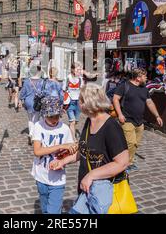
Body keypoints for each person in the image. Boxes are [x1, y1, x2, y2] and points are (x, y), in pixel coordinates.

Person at [50, 84, 129, 214]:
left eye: (81, 100)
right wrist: (63, 161)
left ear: (88, 102)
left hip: (104, 192)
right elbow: (84, 150)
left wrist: (91, 175)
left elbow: (123, 162)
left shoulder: (111, 126)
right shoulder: (90, 121)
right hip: (87, 190)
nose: (79, 104)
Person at [31, 96, 77, 214]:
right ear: (44, 115)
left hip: (58, 178)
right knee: (45, 209)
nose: (54, 119)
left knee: (53, 212)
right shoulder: (38, 126)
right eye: (51, 116)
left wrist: (67, 153)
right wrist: (60, 147)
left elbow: (72, 152)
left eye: (57, 116)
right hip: (41, 175)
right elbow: (37, 151)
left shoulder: (65, 128)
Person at [112, 68, 163, 172]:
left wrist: (157, 116)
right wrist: (120, 114)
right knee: (131, 142)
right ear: (138, 78)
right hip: (127, 119)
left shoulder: (144, 88)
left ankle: (127, 161)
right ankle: (125, 164)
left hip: (140, 121)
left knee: (136, 143)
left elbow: (149, 102)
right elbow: (115, 99)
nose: (147, 78)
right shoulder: (124, 86)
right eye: (145, 76)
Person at [20, 65, 47, 145]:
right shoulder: (42, 81)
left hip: (28, 101)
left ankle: (31, 133)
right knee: (36, 119)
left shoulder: (27, 81)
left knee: (30, 119)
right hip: (37, 102)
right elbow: (44, 92)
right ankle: (31, 134)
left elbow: (23, 92)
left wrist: (21, 99)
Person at [63, 62, 84, 140]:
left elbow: (82, 91)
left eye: (80, 70)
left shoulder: (80, 79)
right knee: (72, 121)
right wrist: (63, 104)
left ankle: (71, 131)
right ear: (72, 70)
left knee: (76, 122)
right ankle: (73, 139)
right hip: (70, 102)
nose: (79, 71)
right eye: (77, 69)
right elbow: (63, 90)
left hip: (78, 102)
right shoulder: (67, 78)